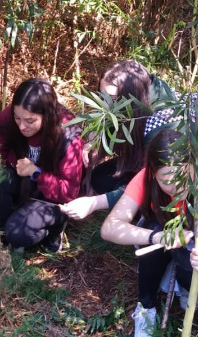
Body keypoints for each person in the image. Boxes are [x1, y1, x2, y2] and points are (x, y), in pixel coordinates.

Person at [100, 127, 198, 337]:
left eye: (183, 177)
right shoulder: (145, 177)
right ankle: (146, 307)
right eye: (166, 181)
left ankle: (188, 283)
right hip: (167, 228)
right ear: (153, 174)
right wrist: (157, 237)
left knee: (192, 274)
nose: (177, 187)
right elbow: (109, 228)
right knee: (150, 237)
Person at [0, 78, 83, 251]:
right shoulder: (12, 117)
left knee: (18, 232)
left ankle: (52, 230)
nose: (22, 126)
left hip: (52, 196)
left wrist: (36, 172)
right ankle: (10, 230)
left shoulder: (67, 134)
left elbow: (68, 191)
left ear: (47, 115)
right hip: (22, 180)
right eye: (18, 118)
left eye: (30, 121)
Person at [60, 60, 167, 222]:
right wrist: (95, 142)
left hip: (168, 181)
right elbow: (108, 128)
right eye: (101, 97)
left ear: (133, 97)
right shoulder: (127, 109)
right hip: (140, 160)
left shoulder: (160, 125)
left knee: (139, 198)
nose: (104, 105)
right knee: (100, 179)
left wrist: (94, 203)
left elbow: (151, 182)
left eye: (111, 98)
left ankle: (144, 216)